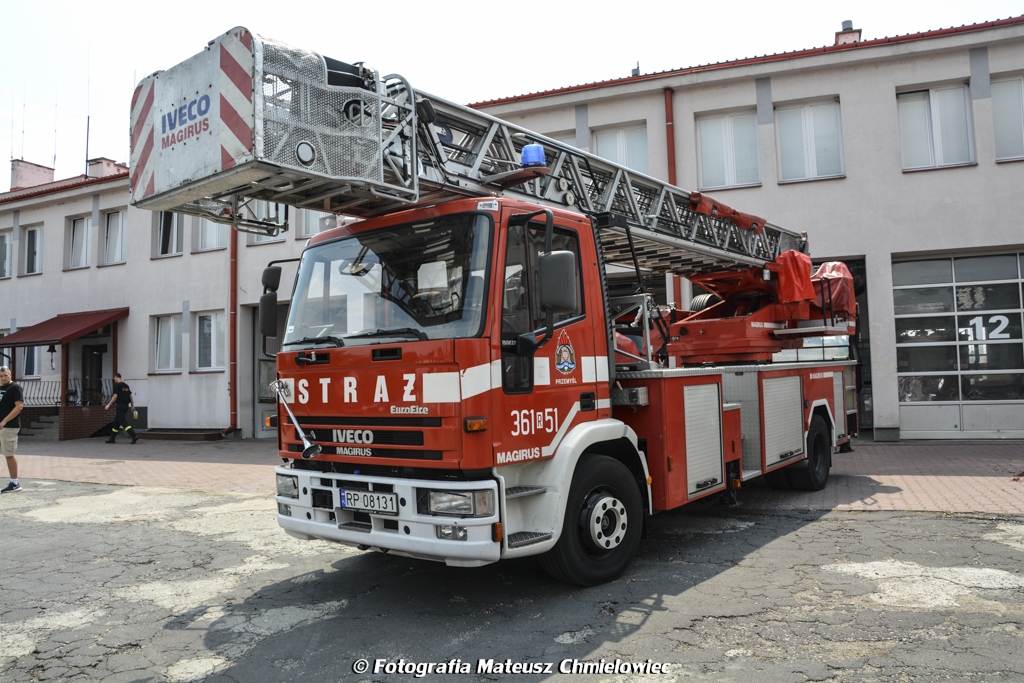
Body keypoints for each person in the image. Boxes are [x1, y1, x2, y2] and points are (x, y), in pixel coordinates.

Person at [0, 366, 24, 493]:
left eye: (6, 375)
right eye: (1, 376)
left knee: (9, 454)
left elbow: (19, 407)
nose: (3, 378)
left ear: (10, 375)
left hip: (9, 427)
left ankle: (15, 483)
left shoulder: (15, 388)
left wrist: (4, 421)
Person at [103, 372, 138, 444]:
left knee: (123, 422)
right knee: (116, 422)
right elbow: (130, 396)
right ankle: (112, 438)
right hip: (125, 406)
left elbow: (115, 396)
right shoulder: (126, 386)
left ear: (116, 377)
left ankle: (134, 435)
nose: (114, 380)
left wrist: (109, 404)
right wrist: (132, 406)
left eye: (114, 378)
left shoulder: (117, 386)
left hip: (120, 405)